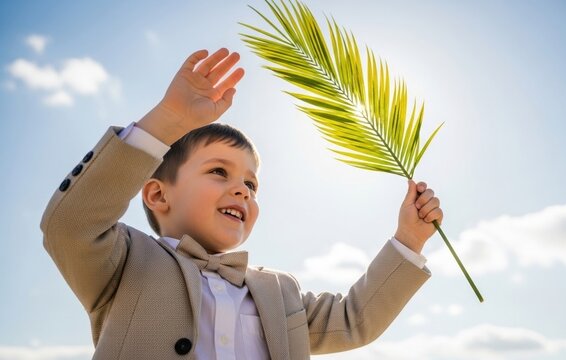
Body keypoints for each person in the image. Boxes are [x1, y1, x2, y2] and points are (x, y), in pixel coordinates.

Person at [40, 46, 443, 359]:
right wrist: (168, 120)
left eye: (252, 184)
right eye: (219, 172)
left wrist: (409, 239)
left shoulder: (279, 289)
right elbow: (72, 223)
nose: (243, 191)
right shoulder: (124, 262)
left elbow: (353, 320)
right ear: (159, 194)